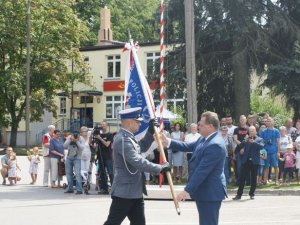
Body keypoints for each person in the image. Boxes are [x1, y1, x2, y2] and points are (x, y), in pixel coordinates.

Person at [103, 107, 170, 225]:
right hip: (124, 193)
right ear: (129, 122)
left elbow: (141, 147)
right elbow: (137, 161)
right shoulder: (122, 140)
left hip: (135, 192)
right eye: (137, 121)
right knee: (112, 223)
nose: (140, 124)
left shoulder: (129, 137)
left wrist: (150, 132)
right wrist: (159, 168)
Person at [162, 111, 227, 225]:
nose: (198, 126)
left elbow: (201, 171)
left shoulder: (215, 144)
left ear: (211, 126)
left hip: (210, 192)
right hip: (205, 191)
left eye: (201, 124)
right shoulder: (205, 138)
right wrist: (168, 141)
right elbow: (187, 146)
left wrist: (187, 190)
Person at [232, 126, 264, 200]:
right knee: (242, 178)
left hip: (254, 161)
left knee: (253, 179)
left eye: (253, 131)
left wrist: (254, 142)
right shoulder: (246, 139)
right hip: (246, 161)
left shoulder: (260, 139)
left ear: (256, 131)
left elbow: (262, 147)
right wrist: (243, 141)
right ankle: (239, 195)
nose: (251, 132)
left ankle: (252, 194)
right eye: (250, 131)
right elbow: (240, 145)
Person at [95, 121, 114, 194]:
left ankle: (114, 189)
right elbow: (94, 145)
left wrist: (100, 138)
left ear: (107, 126)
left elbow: (107, 144)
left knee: (110, 173)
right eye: (101, 125)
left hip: (108, 157)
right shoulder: (98, 135)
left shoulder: (109, 135)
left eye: (104, 125)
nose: (103, 127)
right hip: (100, 156)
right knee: (102, 173)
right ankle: (104, 189)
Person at [260, 117, 280, 185]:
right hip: (265, 152)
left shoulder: (276, 131)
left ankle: (277, 180)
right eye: (267, 121)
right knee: (266, 166)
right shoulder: (263, 131)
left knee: (276, 166)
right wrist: (262, 154)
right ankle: (265, 180)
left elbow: (278, 142)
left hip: (274, 152)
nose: (268, 122)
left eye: (270, 121)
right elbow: (261, 143)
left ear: (273, 122)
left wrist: (278, 152)